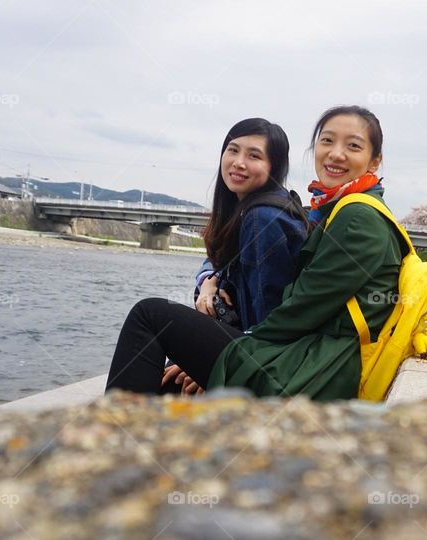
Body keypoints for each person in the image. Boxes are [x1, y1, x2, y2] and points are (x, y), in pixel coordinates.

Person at [106, 105, 402, 401]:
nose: (336, 153)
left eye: (353, 145)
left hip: (314, 367)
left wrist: (205, 359)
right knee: (163, 372)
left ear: (374, 161)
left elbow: (296, 312)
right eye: (327, 141)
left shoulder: (354, 218)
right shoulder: (331, 209)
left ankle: (108, 435)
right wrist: (209, 279)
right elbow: (231, 266)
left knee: (150, 315)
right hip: (305, 353)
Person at [164, 118, 309, 395]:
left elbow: (267, 319)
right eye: (233, 150)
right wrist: (209, 280)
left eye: (254, 155)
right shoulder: (249, 209)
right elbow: (217, 259)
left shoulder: (261, 217)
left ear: (274, 167)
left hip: (259, 361)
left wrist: (213, 366)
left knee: (151, 317)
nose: (238, 162)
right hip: (245, 346)